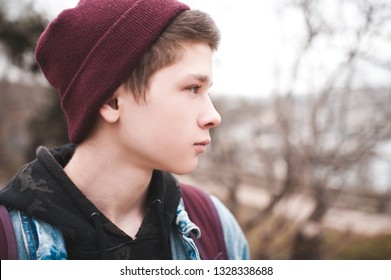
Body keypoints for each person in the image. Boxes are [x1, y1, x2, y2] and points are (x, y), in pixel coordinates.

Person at [0, 0, 249, 260]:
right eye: (192, 88)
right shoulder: (9, 242)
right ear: (112, 102)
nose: (213, 117)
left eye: (206, 91)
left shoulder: (216, 227)